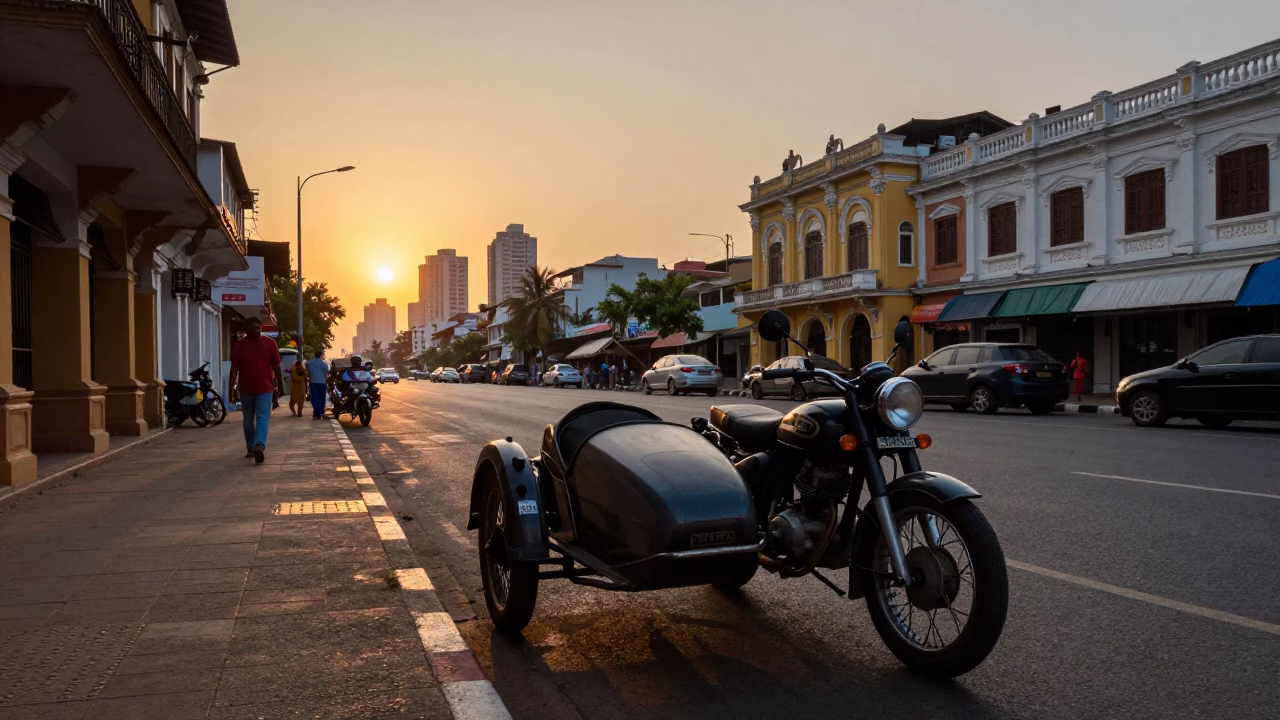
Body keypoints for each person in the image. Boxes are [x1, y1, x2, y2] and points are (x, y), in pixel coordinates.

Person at [228, 317, 283, 464]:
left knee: (263, 417)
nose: (257, 331)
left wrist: (281, 386)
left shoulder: (270, 343)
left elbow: (276, 366)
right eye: (253, 328)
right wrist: (231, 388)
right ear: (246, 330)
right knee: (247, 420)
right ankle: (251, 446)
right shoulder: (240, 345)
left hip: (265, 388)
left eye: (259, 328)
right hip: (246, 389)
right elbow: (234, 367)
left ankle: (259, 445)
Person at [305, 348, 330, 420]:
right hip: (322, 383)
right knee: (321, 398)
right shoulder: (324, 364)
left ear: (314, 355)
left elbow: (307, 369)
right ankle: (320, 412)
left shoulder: (310, 363)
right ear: (321, 355)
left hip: (313, 382)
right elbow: (326, 374)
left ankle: (316, 413)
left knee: (314, 398)